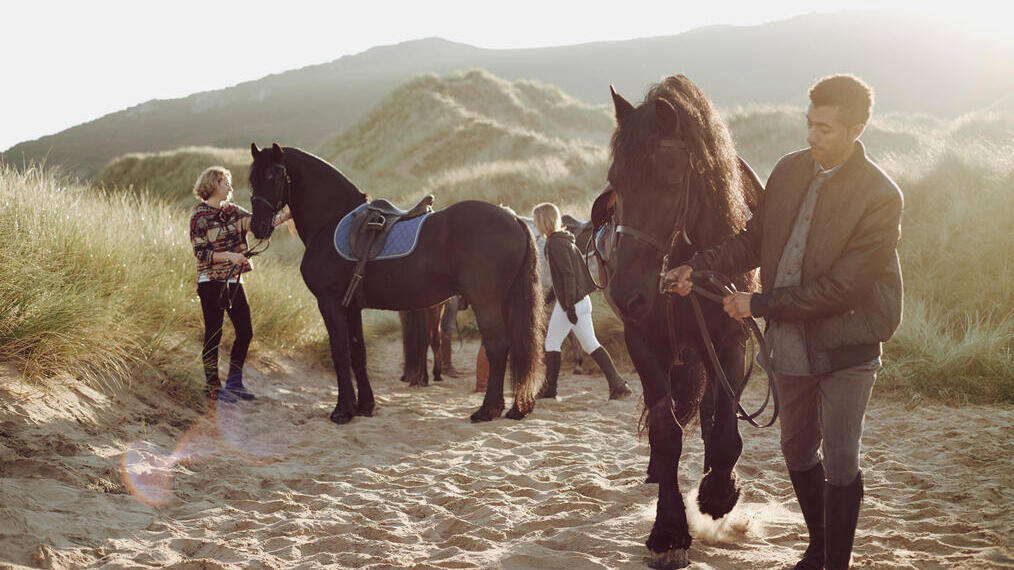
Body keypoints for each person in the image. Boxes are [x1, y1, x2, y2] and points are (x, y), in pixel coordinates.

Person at [665, 74, 903, 570]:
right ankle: (818, 546)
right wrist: (700, 266)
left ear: (858, 129)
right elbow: (752, 240)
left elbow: (844, 288)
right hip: (790, 344)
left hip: (848, 346)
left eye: (826, 129)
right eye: (809, 124)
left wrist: (759, 304)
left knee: (840, 458)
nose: (813, 136)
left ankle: (832, 561)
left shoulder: (882, 195)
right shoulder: (789, 170)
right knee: (796, 450)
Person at [189, 166, 290, 403]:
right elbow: (201, 253)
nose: (230, 188)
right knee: (213, 334)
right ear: (212, 185)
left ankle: (235, 384)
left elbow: (260, 224)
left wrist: (287, 216)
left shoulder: (233, 211)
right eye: (226, 183)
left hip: (234, 281)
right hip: (211, 282)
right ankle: (212, 386)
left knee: (245, 332)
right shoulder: (199, 216)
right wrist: (230, 256)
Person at [532, 202, 632, 401]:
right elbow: (563, 278)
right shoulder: (564, 240)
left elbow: (568, 276)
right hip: (579, 301)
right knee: (589, 344)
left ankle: (551, 389)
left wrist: (568, 306)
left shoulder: (555, 244)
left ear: (543, 221)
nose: (535, 225)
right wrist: (548, 300)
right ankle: (618, 385)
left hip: (572, 303)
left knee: (552, 343)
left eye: (536, 221)